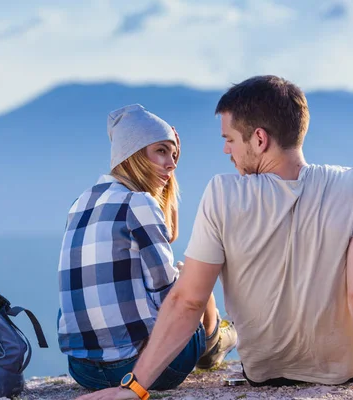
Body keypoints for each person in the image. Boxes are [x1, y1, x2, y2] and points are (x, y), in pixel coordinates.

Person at [76, 76, 353, 400]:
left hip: (266, 371)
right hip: (352, 365)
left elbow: (187, 302)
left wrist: (134, 388)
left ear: (259, 138)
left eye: (229, 139)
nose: (226, 150)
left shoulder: (222, 195)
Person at [57, 104, 238, 392]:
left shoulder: (81, 203)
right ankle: (216, 342)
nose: (172, 164)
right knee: (191, 275)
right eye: (162, 151)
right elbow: (171, 298)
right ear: (134, 153)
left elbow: (170, 234)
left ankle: (213, 340)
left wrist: (166, 165)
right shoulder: (138, 203)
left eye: (174, 155)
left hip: (83, 371)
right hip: (138, 371)